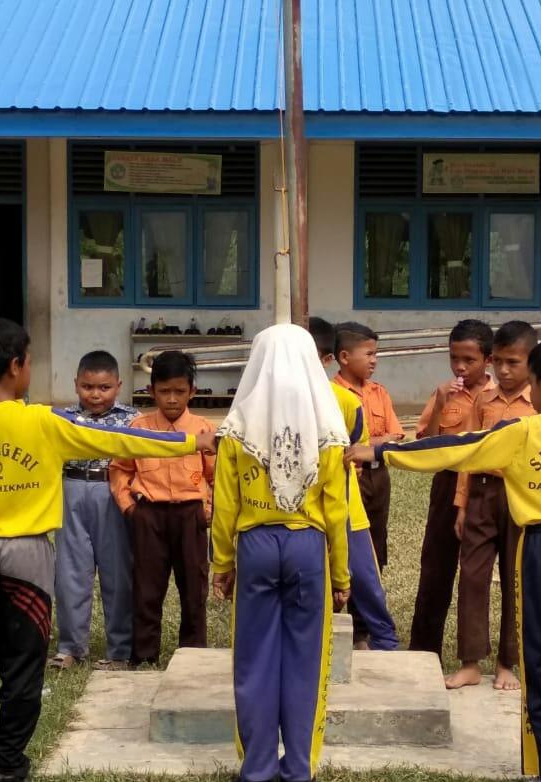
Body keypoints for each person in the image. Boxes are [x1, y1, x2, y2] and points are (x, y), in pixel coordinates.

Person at [0, 317, 213, 782]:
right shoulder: (44, 422)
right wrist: (189, 440)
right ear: (15, 366)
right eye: (29, 360)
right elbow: (119, 438)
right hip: (27, 555)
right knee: (23, 664)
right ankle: (9, 763)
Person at [348, 336, 541, 782]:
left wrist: (381, 451)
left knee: (539, 665)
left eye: (532, 381)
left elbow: (456, 447)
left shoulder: (524, 432)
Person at [210, 324, 351, 782]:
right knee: (306, 661)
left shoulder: (237, 427)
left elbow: (225, 506)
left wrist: (222, 564)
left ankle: (257, 767)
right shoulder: (328, 427)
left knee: (253, 659)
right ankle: (298, 769)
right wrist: (341, 575)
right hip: (308, 547)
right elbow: (337, 512)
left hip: (254, 546)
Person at [110, 350, 216, 666]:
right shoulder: (138, 428)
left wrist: (208, 509)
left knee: (194, 588)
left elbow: (217, 476)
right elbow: (119, 469)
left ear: (192, 392)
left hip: (190, 515)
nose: (172, 399)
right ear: (151, 391)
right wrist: (129, 507)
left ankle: (193, 655)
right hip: (150, 515)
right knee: (147, 588)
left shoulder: (204, 430)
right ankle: (144, 656)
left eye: (179, 391)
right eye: (164, 391)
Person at [448, 320, 538, 691]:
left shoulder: (539, 404)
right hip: (482, 493)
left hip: (520, 496)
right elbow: (470, 451)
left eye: (513, 362)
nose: (503, 370)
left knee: (516, 580)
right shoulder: (484, 400)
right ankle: (470, 662)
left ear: (532, 362)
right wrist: (462, 504)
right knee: (472, 575)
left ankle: (507, 663)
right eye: (498, 361)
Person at [409, 319, 495, 661]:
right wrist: (441, 405)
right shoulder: (444, 393)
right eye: (454, 358)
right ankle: (422, 650)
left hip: (484, 486)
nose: (460, 367)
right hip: (447, 483)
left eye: (469, 360)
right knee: (435, 570)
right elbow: (426, 444)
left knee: (475, 575)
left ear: (488, 360)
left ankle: (473, 655)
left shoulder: (497, 396)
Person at [309, 317, 398, 650]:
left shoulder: (346, 402)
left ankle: (383, 642)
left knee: (364, 572)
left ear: (327, 358)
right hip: (305, 508)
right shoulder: (273, 401)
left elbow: (357, 452)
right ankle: (323, 639)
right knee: (315, 574)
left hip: (347, 502)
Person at [50, 350, 139, 671]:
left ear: (118, 385)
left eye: (104, 387)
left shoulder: (132, 419)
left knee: (118, 572)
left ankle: (120, 649)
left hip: (112, 492)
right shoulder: (61, 418)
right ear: (76, 384)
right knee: (70, 572)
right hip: (71, 489)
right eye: (88, 387)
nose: (96, 395)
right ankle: (70, 646)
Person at [333, 322, 403, 571]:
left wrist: (363, 445)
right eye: (369, 354)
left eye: (376, 354)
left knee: (377, 534)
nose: (375, 361)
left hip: (379, 475)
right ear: (344, 357)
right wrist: (379, 441)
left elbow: (396, 436)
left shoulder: (378, 392)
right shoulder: (332, 394)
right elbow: (340, 444)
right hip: (351, 475)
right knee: (349, 534)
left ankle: (375, 583)